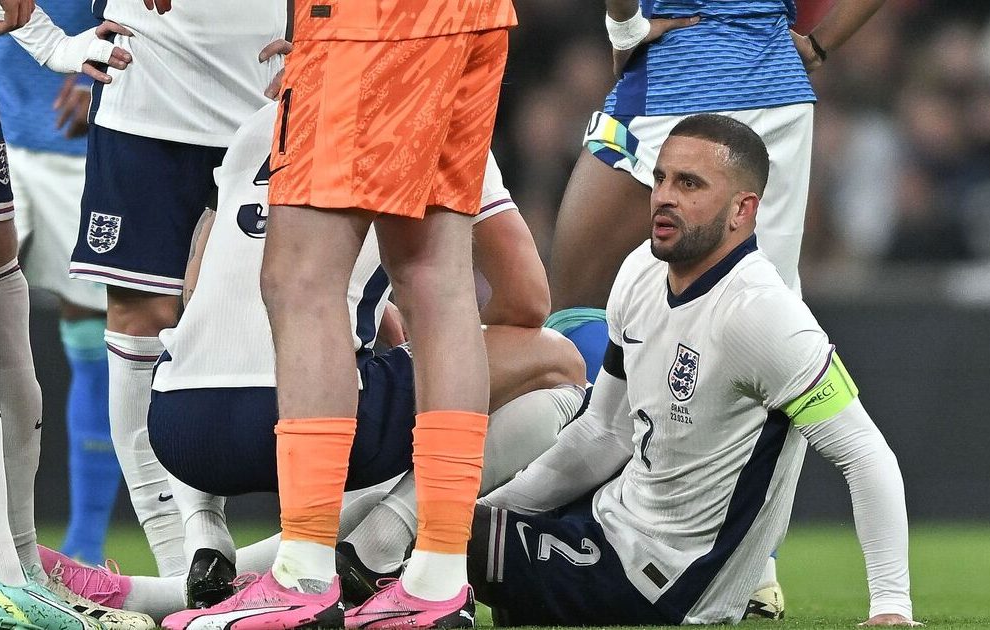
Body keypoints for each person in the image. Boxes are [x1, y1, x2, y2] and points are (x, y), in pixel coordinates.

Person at [40, 102, 584, 626]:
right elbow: (526, 302)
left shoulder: (261, 122)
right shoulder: (430, 107)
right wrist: (429, 343)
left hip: (178, 428)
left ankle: (197, 542)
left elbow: (195, 287)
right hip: (304, 411)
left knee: (237, 340)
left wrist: (375, 318)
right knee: (553, 363)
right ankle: (383, 547)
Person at [141, 0, 520, 626]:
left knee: (301, 279)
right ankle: (435, 579)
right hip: (466, 17)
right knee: (436, 282)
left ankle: (303, 575)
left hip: (365, 19)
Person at [452, 115, 914, 626]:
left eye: (689, 183)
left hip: (668, 581)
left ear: (743, 209)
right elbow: (603, 433)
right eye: (661, 179)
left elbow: (866, 454)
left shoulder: (763, 314)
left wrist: (891, 607)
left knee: (423, 542)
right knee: (435, 527)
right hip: (607, 525)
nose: (664, 197)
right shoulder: (641, 272)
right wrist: (494, 509)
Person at [545, 0, 888, 613]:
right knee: (765, 318)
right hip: (778, 88)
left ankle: (612, 508)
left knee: (575, 301)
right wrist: (820, 44)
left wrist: (623, 27)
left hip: (676, 75)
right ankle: (753, 559)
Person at [61, 0, 286, 580]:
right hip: (145, 98)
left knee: (285, 316)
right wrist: (53, 44)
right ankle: (181, 561)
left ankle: (345, 551)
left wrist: (334, 34)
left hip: (264, 99)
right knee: (140, 318)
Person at [0, 6, 155, 629]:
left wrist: (112, 87)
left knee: (80, 337)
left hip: (71, 137)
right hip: (10, 117)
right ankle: (13, 581)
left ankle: (59, 559)